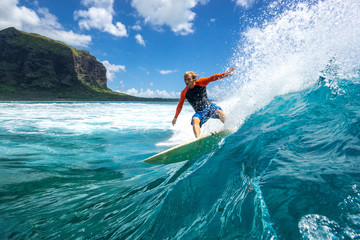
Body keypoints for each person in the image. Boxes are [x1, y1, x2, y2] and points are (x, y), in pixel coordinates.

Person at [172, 67, 236, 138]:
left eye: (189, 79)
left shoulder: (200, 82)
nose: (187, 81)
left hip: (209, 107)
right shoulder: (184, 92)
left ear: (193, 79)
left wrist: (226, 74)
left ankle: (228, 126)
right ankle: (198, 140)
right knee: (195, 120)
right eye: (185, 80)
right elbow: (180, 105)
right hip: (199, 113)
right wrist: (175, 117)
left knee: (218, 111)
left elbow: (212, 78)